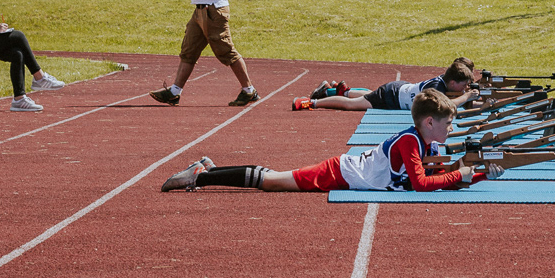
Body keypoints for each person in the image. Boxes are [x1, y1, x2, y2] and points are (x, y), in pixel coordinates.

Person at [161, 87, 504, 193]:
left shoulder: (429, 143)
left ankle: (208, 169)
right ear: (429, 122)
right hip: (340, 173)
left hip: (348, 173)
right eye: (448, 124)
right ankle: (201, 176)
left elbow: (442, 178)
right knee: (272, 181)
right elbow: (422, 184)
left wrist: (479, 174)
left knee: (274, 179)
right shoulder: (411, 143)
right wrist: (461, 174)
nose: (451, 130)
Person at [293, 57, 480, 112]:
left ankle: (333, 90)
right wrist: (467, 96)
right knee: (352, 105)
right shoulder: (437, 89)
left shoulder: (444, 81)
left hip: (397, 91)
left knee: (368, 95)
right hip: (392, 96)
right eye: (463, 85)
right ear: (453, 82)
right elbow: (448, 106)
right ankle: (312, 102)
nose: (465, 89)